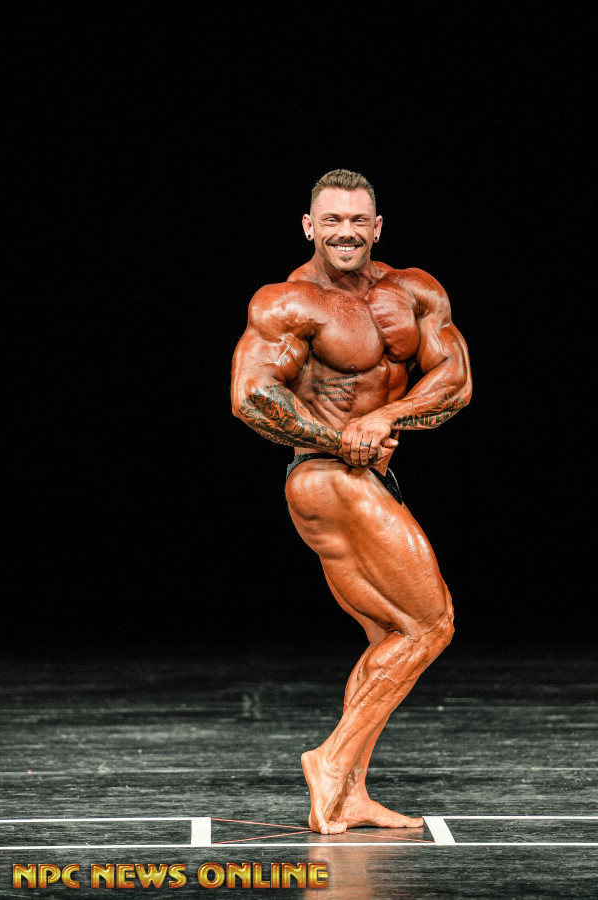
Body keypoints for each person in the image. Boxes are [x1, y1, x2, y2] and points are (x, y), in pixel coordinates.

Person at [231, 169, 472, 835]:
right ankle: (331, 759)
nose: (345, 232)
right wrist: (341, 438)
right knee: (431, 625)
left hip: (371, 477)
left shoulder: (414, 290)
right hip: (324, 474)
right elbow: (251, 396)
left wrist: (387, 416)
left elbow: (454, 379)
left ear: (377, 227)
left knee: (391, 636)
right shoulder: (288, 302)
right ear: (309, 226)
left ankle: (345, 796)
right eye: (332, 220)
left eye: (357, 221)